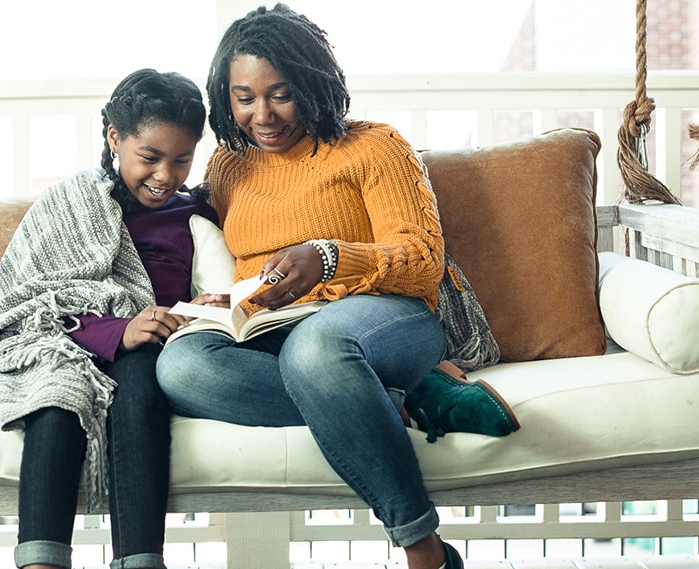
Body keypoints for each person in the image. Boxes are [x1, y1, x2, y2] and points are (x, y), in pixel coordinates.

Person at [155, 5, 467, 568]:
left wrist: (327, 258)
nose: (263, 115)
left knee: (317, 349)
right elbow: (194, 232)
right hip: (271, 324)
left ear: (313, 82)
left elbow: (423, 260)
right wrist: (216, 299)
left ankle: (424, 550)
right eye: (244, 97)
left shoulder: (374, 147)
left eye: (280, 93)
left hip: (382, 317)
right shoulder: (230, 165)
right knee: (180, 366)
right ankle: (373, 400)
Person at [0, 69, 224, 569]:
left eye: (181, 160)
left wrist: (202, 309)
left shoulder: (191, 215)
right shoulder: (73, 202)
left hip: (151, 343)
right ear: (115, 138)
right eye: (150, 158)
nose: (165, 176)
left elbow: (204, 290)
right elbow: (30, 303)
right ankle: (41, 561)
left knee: (139, 386)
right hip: (65, 341)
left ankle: (140, 560)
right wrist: (120, 328)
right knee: (57, 400)